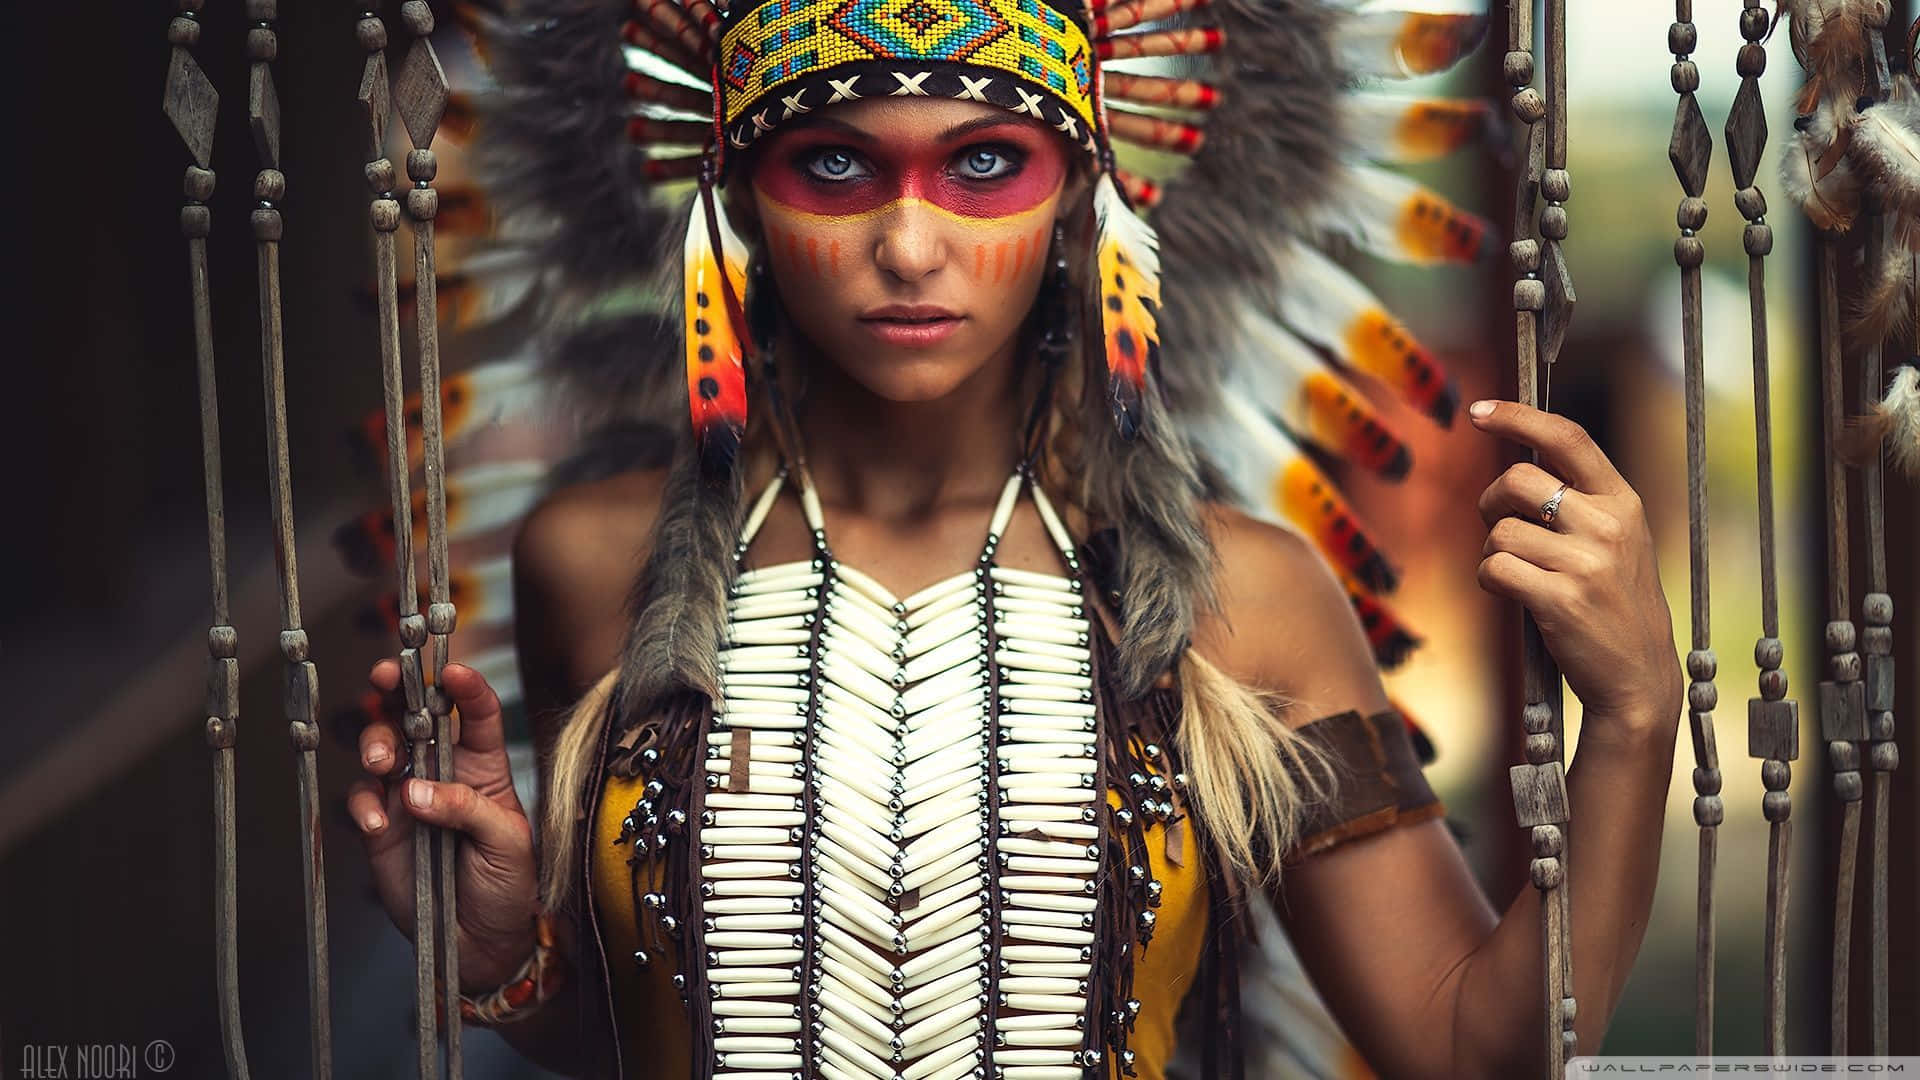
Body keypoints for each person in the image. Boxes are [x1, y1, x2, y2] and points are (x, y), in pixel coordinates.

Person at [345, 0, 1685, 1076]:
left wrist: (1632, 720)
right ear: (737, 195)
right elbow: (651, 1027)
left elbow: (1472, 1046)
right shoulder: (596, 566)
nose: (911, 244)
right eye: (835, 162)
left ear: (1076, 200)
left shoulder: (1247, 598)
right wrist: (509, 960)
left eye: (983, 164)